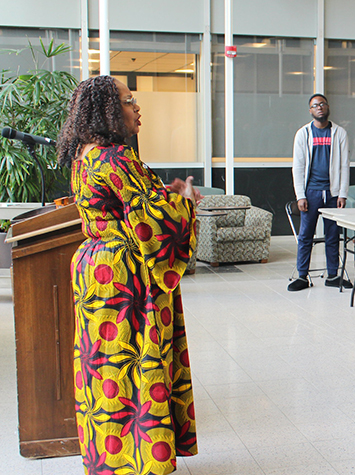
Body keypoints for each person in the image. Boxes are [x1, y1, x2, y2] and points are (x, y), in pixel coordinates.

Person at [58, 75, 198, 474]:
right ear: (106, 110)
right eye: (127, 100)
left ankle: (111, 458)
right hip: (124, 273)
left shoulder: (83, 155)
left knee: (104, 367)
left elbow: (129, 204)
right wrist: (185, 202)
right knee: (135, 366)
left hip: (94, 268)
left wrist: (165, 196)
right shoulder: (114, 157)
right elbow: (154, 220)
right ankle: (142, 463)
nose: (137, 107)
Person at [289, 94, 352, 291]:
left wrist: (342, 193)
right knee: (305, 235)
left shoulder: (339, 133)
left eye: (322, 104)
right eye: (315, 105)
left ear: (328, 107)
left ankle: (333, 275)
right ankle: (302, 276)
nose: (319, 108)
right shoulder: (303, 134)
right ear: (310, 110)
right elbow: (297, 167)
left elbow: (344, 165)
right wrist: (300, 195)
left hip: (332, 193)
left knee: (333, 235)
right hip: (311, 193)